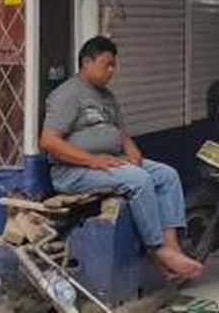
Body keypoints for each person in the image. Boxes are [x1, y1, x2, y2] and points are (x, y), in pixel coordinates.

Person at [40, 36, 203, 279]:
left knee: (167, 175)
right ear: (86, 62)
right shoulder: (68, 95)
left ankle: (172, 247)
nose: (112, 71)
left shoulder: (107, 96)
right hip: (73, 171)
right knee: (138, 180)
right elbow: (48, 142)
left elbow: (121, 132)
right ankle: (156, 249)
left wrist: (132, 151)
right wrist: (94, 160)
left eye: (114, 65)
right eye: (107, 64)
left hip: (109, 161)